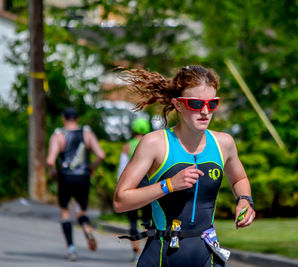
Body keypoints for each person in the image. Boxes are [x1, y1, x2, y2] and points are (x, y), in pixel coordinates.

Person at [113, 65, 255, 267]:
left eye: (212, 103)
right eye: (196, 103)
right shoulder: (155, 144)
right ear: (178, 105)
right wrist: (168, 185)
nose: (205, 111)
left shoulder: (224, 144)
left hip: (207, 255)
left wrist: (244, 199)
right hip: (163, 256)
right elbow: (121, 201)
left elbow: (240, 179)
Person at [46, 107, 105, 261]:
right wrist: (91, 168)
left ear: (63, 118)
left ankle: (71, 249)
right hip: (83, 176)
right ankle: (87, 227)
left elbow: (50, 161)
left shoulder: (59, 135)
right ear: (77, 119)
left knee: (65, 211)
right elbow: (101, 155)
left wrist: (52, 173)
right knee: (81, 211)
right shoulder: (87, 133)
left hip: (65, 177)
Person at [117, 117, 153, 262]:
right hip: (149, 189)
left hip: (132, 189)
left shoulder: (127, 146)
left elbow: (122, 169)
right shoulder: (151, 145)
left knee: (132, 221)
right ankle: (148, 251)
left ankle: (135, 250)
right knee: (147, 221)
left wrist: (119, 187)